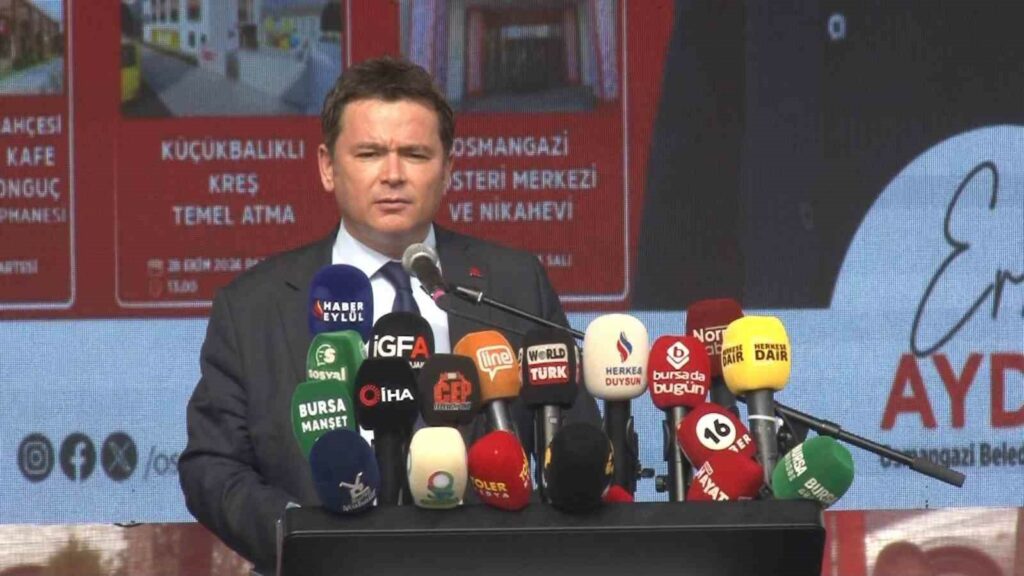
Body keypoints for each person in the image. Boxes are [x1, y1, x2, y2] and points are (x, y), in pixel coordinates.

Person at [178, 56, 600, 573]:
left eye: (415, 154)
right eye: (370, 153)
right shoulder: (253, 306)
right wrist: (303, 538)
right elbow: (212, 465)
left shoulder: (514, 285)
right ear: (327, 167)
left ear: (448, 168)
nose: (393, 175)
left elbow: (573, 442)